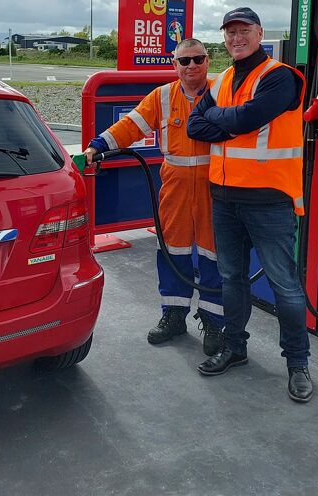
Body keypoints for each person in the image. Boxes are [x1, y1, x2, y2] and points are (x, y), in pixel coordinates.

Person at [187, 7, 313, 403]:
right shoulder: (222, 78)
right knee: (232, 279)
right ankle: (235, 348)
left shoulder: (279, 77)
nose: (235, 38)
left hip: (269, 200)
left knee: (285, 286)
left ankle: (298, 363)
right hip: (224, 198)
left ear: (259, 33)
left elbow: (250, 118)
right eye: (229, 33)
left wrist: (222, 118)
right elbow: (195, 125)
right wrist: (232, 118)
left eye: (243, 31)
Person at [84, 39, 225, 356]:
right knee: (172, 250)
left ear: (208, 60)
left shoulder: (222, 92)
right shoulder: (162, 96)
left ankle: (215, 323)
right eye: (184, 61)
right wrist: (97, 146)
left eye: (198, 59)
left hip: (213, 188)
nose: (191, 66)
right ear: (174, 65)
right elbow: (130, 126)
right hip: (174, 186)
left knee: (213, 254)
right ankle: (174, 316)